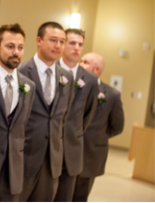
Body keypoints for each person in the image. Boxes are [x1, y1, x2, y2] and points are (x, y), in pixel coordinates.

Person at [0, 24, 36, 202]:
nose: (16, 52)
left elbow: (21, 126)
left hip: (12, 173)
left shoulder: (28, 86)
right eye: (10, 46)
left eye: (20, 47)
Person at [18, 22, 74, 202]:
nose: (58, 46)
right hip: (23, 157)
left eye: (62, 41)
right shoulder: (21, 72)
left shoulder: (67, 77)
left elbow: (62, 118)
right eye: (53, 40)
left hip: (52, 161)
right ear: (39, 41)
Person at [54, 28, 99, 202]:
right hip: (46, 147)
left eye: (80, 44)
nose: (77, 48)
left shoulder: (90, 79)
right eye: (72, 43)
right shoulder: (51, 70)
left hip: (72, 149)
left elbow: (87, 115)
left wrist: (74, 132)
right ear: (63, 44)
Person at [74, 53, 124, 202]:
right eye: (81, 61)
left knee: (80, 196)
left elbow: (117, 126)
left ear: (96, 70)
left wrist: (98, 136)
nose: (80, 64)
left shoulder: (112, 95)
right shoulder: (72, 86)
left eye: (85, 62)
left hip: (91, 154)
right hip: (68, 151)